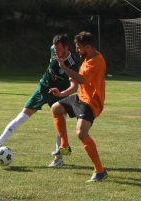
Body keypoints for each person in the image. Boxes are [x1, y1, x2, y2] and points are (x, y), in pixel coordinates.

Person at [0, 34, 80, 167]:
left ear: (66, 47)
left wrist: (61, 94)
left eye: (59, 49)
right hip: (44, 87)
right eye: (54, 49)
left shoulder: (73, 63)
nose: (56, 52)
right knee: (23, 116)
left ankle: (59, 159)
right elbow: (53, 50)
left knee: (60, 124)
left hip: (60, 93)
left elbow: (74, 87)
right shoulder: (53, 49)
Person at [50, 31, 107, 181]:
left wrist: (64, 66)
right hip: (81, 98)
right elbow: (76, 84)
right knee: (56, 108)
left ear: (87, 47)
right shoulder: (87, 57)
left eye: (78, 47)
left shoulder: (96, 62)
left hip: (91, 102)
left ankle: (99, 170)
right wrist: (61, 94)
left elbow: (81, 79)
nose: (77, 50)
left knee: (81, 133)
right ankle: (65, 146)